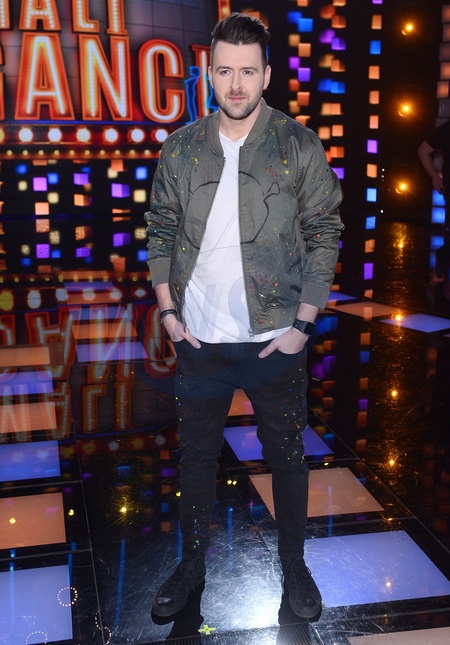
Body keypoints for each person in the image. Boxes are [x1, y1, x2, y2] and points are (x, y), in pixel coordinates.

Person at [144, 12, 343, 621]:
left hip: (273, 340)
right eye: (225, 71)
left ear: (267, 75)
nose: (236, 84)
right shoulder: (181, 148)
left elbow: (325, 231)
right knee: (195, 460)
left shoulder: (298, 145)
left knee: (287, 457)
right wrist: (169, 313)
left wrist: (303, 325)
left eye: (247, 72)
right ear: (210, 74)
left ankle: (294, 565)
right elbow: (160, 229)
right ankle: (191, 564)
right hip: (199, 339)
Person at [418, 120, 450, 232]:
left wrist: (434, 176)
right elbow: (423, 151)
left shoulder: (446, 128)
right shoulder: (446, 129)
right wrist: (434, 176)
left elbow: (423, 151)